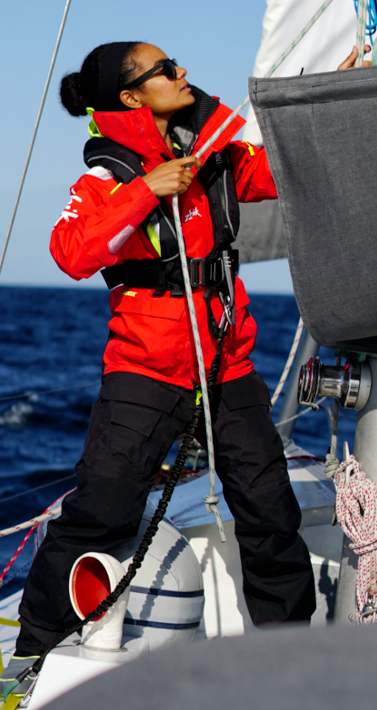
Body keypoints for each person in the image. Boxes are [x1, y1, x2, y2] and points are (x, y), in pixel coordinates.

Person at [1, 41, 316, 698]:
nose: (183, 75)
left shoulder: (219, 156)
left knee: (268, 512)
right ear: (130, 97)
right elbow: (71, 253)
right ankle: (29, 657)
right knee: (102, 513)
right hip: (145, 374)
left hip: (227, 367)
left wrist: (320, 109)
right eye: (166, 70)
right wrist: (146, 189)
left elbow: (283, 174)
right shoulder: (106, 179)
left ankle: (295, 662)